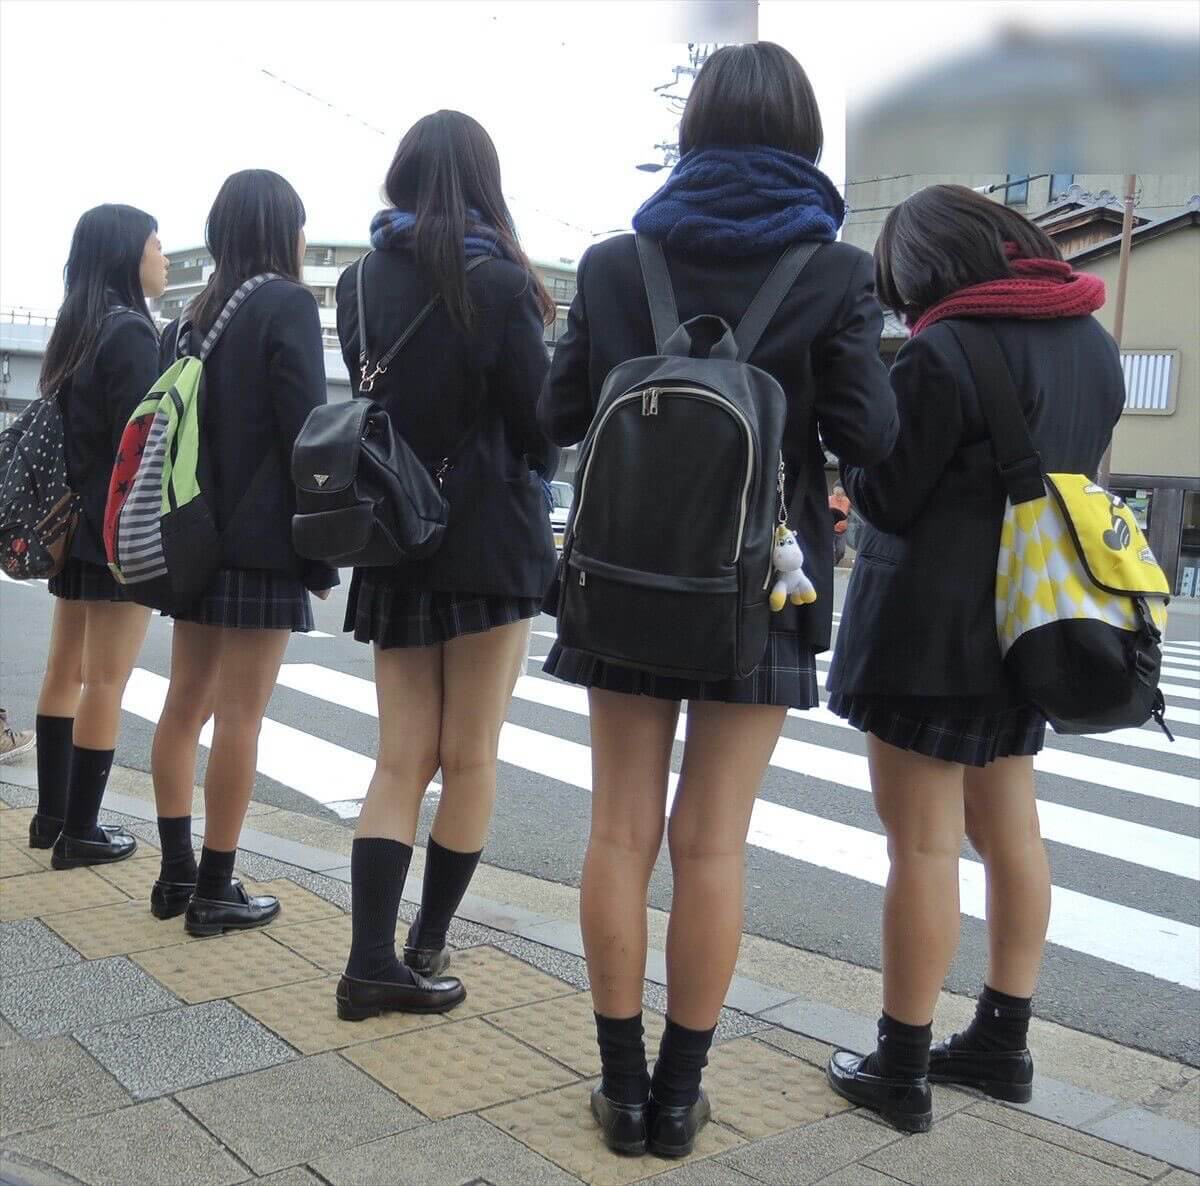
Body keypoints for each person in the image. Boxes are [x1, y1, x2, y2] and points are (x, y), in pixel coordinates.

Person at [538, 43, 897, 1158]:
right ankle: (681, 1097)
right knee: (713, 843)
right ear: (804, 138)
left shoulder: (615, 263)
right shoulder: (835, 272)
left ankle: (620, 1089)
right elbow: (872, 434)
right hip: (766, 585)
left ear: (693, 129)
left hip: (623, 575)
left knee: (619, 827)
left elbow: (557, 415)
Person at [825, 185, 1119, 1132]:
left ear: (926, 270)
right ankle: (1001, 1042)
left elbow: (887, 495)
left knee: (922, 844)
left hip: (929, 635)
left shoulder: (943, 348)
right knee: (1011, 836)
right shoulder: (1092, 344)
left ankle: (901, 1065)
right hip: (1031, 626)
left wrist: (853, 444)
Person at [333, 111, 558, 1021]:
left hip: (391, 536)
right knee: (469, 757)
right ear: (484, 182)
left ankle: (368, 964)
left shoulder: (357, 280)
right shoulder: (501, 282)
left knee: (400, 759)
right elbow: (540, 424)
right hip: (488, 542)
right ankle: (426, 946)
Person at [149, 170, 337, 936]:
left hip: (191, 540)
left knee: (183, 705)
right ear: (280, 231)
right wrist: (320, 555)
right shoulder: (286, 305)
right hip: (261, 548)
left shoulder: (187, 320)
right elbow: (308, 435)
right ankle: (217, 889)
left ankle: (175, 874)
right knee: (240, 718)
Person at [29, 205, 166, 867]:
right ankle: (82, 832)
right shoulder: (132, 332)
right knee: (106, 681)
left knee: (64, 670)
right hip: (117, 528)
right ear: (126, 254)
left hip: (72, 524)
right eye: (155, 244)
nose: (162, 257)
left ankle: (51, 818)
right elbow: (139, 445)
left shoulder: (75, 330)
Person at [829, 483, 851, 564]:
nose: (838, 495)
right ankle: (831, 565)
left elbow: (849, 513)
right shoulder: (829, 499)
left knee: (841, 551)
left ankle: (835, 563)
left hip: (842, 531)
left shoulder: (847, 501)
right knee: (830, 551)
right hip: (831, 530)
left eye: (840, 493)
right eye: (836, 493)